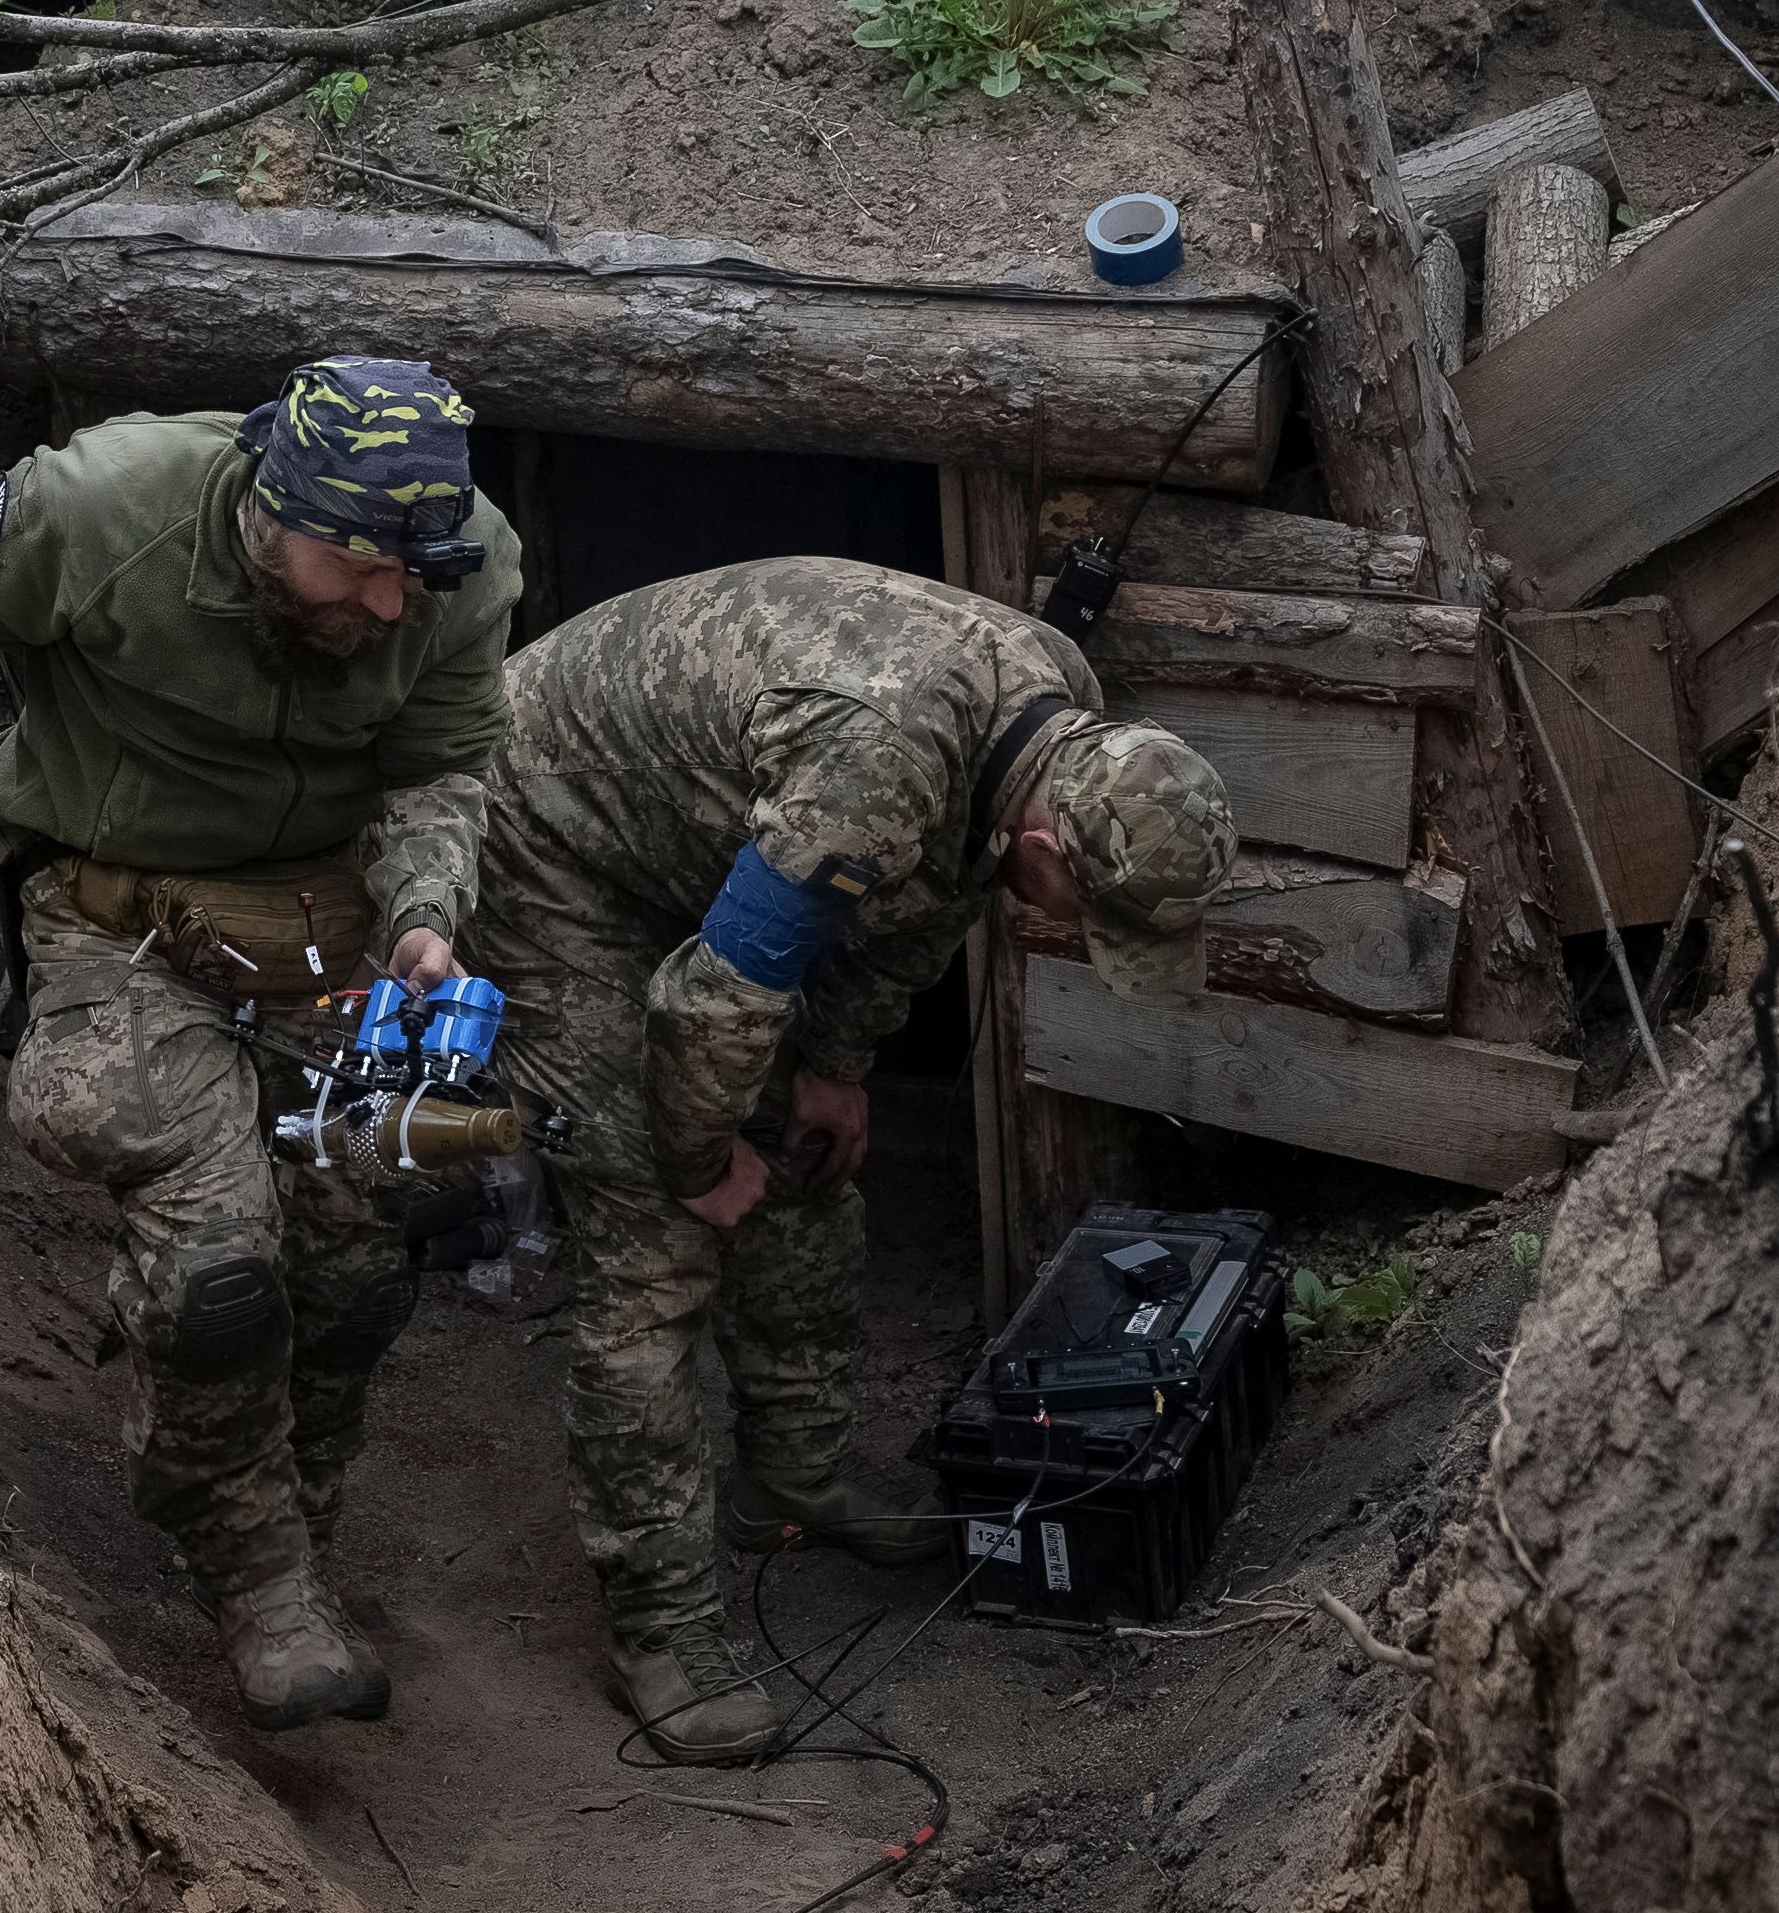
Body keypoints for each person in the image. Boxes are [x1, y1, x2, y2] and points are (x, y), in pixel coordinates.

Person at [0, 358, 521, 1731]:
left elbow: (442, 765)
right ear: (268, 509)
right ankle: (259, 1592)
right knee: (219, 1272)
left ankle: (284, 1523)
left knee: (358, 1275)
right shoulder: (102, 509)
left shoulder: (453, 573)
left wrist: (425, 921)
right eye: (357, 566)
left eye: (411, 574)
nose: (387, 603)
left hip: (325, 933)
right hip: (118, 925)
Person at [468, 558, 1234, 1757]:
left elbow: (929, 898)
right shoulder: (875, 766)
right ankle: (661, 1627)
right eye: (1085, 912)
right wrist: (690, 1160)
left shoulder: (1056, 704)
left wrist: (834, 1062)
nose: (1075, 936)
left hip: (701, 835)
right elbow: (711, 1007)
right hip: (549, 843)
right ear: (1048, 833)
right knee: (655, 1247)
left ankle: (792, 1477)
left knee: (808, 1174)